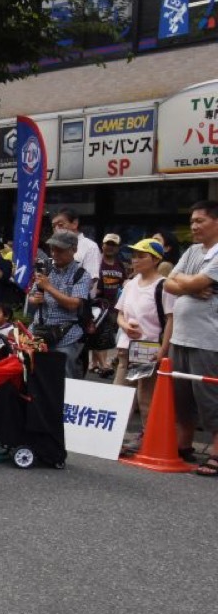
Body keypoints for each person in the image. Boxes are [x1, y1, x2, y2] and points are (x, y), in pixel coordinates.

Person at [163, 201, 218, 471]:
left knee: (209, 396)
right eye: (192, 221)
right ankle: (184, 446)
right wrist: (192, 287)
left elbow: (185, 281)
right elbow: (169, 283)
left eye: (200, 221)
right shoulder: (193, 250)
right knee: (181, 397)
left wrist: (187, 282)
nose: (194, 226)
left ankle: (216, 452)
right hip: (180, 336)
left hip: (208, 338)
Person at [114, 238, 174, 457]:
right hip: (125, 348)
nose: (136, 260)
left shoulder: (164, 285)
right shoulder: (130, 284)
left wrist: (163, 349)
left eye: (142, 255)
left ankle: (150, 442)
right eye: (135, 255)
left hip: (148, 348)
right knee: (119, 394)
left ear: (156, 259)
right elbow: (120, 313)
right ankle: (114, 439)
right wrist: (124, 326)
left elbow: (170, 320)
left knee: (145, 398)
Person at [26, 229, 93, 379]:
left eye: (60, 250)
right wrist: (35, 299)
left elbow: (73, 304)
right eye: (52, 249)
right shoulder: (46, 268)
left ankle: (66, 402)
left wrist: (49, 288)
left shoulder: (81, 274)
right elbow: (31, 295)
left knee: (64, 376)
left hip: (66, 335)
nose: (55, 254)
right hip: (38, 332)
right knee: (32, 373)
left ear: (74, 249)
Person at [91, 234, 127, 377]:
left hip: (113, 306)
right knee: (102, 334)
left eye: (113, 245)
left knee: (101, 333)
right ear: (102, 245)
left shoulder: (120, 264)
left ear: (117, 248)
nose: (110, 247)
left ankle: (94, 363)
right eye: (108, 244)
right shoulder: (96, 261)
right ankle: (104, 364)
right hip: (98, 305)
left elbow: (123, 282)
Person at [50, 208, 101, 290]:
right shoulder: (55, 247)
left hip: (78, 300)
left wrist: (59, 293)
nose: (56, 229)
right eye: (53, 226)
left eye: (60, 225)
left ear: (74, 224)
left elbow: (91, 280)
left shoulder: (90, 247)